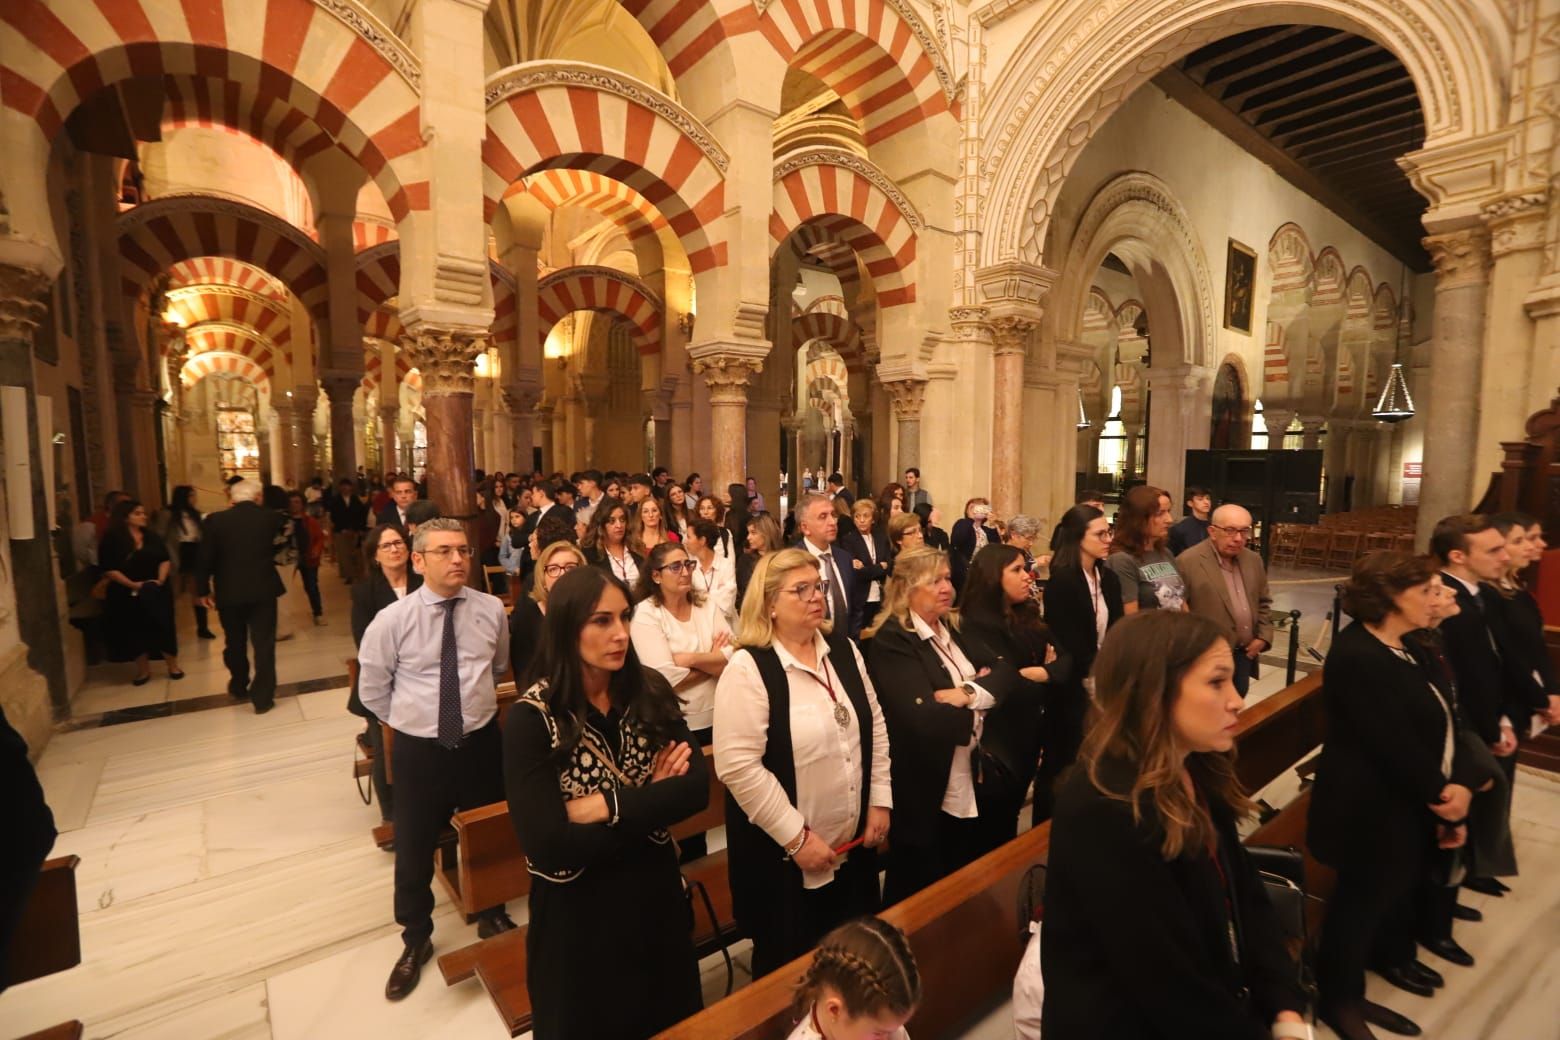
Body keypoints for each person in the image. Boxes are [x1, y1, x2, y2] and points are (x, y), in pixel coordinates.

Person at [1041, 610, 1308, 1039]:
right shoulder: (1104, 806)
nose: (1237, 698)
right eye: (1216, 681)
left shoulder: (1197, 766)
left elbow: (1244, 893)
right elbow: (1164, 978)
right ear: (1154, 691)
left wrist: (1283, 1004)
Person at [503, 566, 707, 1038]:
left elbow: (695, 789)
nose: (619, 635)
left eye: (624, 618)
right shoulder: (533, 720)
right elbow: (548, 842)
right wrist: (651, 799)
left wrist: (604, 807)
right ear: (566, 627)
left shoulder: (648, 691)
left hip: (654, 904)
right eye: (601, 621)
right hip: (579, 921)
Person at [1308, 552, 1478, 1040]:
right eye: (1425, 590)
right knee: (1357, 906)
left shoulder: (1409, 645)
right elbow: (1392, 745)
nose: (1435, 599)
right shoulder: (1359, 655)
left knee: (1386, 896)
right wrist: (1446, 796)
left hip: (1404, 803)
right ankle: (1338, 999)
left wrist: (1456, 787)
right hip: (1366, 811)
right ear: (1389, 596)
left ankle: (1373, 971)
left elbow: (1446, 718)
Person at [358, 518, 517, 1000]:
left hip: (479, 742)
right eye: (445, 551)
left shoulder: (490, 609)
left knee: (487, 828)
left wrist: (467, 716)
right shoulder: (393, 620)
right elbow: (373, 691)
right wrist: (416, 723)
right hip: (419, 750)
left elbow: (498, 666)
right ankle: (416, 937)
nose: (458, 560)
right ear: (419, 560)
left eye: (464, 551)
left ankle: (491, 910)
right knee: (413, 844)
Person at [715, 548, 892, 975]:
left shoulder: (843, 649)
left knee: (853, 970)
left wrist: (879, 800)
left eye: (821, 587)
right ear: (770, 603)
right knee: (792, 980)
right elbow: (739, 767)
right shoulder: (750, 666)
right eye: (802, 589)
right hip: (785, 866)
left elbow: (876, 725)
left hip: (852, 850)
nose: (817, 597)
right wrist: (797, 839)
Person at [863, 545, 1018, 903]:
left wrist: (966, 694)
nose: (946, 587)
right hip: (924, 787)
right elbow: (924, 718)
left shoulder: (952, 627)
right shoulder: (892, 639)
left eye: (947, 578)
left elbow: (1006, 671)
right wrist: (985, 703)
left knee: (962, 882)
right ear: (906, 589)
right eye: (933, 581)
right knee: (920, 890)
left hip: (968, 775)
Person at [1429, 513, 1536, 898]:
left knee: (1485, 798)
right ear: (1458, 555)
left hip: (1487, 717)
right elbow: (1464, 677)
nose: (1505, 556)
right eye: (1494, 549)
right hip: (1465, 724)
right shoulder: (1446, 603)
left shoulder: (1480, 596)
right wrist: (1490, 728)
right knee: (1461, 807)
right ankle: (1443, 901)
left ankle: (1465, 878)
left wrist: (1507, 716)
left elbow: (1499, 660)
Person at [959, 543, 1066, 848]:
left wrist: (1042, 673)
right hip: (998, 743)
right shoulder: (974, 623)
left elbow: (1066, 660)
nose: (1028, 576)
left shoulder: (1026, 616)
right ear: (993, 576)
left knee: (1006, 829)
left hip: (1028, 738)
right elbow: (1002, 688)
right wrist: (1040, 676)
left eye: (1026, 568)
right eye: (1016, 570)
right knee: (988, 837)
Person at [631, 541, 733, 859]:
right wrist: (712, 660)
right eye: (675, 567)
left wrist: (688, 658)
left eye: (687, 564)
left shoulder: (707, 606)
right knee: (690, 819)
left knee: (726, 802)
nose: (685, 572)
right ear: (657, 575)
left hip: (722, 717)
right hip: (678, 726)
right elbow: (662, 678)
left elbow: (735, 656)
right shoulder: (647, 614)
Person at [1037, 505, 1124, 824]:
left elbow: (1115, 629)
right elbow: (1070, 643)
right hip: (1072, 688)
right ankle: (1047, 830)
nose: (1107, 539)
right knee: (1063, 762)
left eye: (1109, 532)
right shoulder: (1064, 582)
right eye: (1100, 534)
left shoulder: (1109, 578)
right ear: (1078, 537)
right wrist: (1094, 675)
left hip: (1103, 683)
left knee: (1096, 762)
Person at [348, 524, 422, 829]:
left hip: (423, 676)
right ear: (375, 555)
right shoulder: (366, 590)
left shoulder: (423, 581)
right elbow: (364, 641)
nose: (395, 549)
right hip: (384, 682)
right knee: (386, 748)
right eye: (387, 545)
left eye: (399, 543)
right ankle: (391, 814)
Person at [196, 480, 285, 713]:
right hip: (263, 589)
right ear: (258, 497)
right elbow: (281, 547)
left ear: (232, 499)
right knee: (263, 644)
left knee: (234, 641)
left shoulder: (215, 521)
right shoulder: (271, 518)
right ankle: (263, 698)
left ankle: (238, 684)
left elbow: (205, 558)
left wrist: (202, 590)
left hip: (229, 590)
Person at [1177, 503, 1272, 696]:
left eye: (1244, 531)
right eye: (1230, 531)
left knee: (1237, 703)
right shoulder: (1188, 561)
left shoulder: (1253, 560)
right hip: (1207, 657)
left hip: (1244, 654)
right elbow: (1179, 612)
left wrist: (1263, 636)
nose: (1238, 538)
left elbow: (1263, 602)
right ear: (1212, 531)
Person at [786, 917, 921, 1040]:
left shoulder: (886, 1025)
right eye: (878, 1034)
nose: (889, 1038)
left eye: (893, 1030)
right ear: (834, 1010)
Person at [99, 499, 183, 684]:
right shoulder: (112, 539)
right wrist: (133, 584)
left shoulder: (151, 536)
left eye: (143, 513)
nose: (143, 516)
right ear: (125, 517)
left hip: (156, 589)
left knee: (164, 626)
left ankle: (172, 665)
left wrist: (160, 580)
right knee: (134, 629)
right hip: (126, 592)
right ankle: (143, 671)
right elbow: (109, 567)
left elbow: (164, 558)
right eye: (138, 513)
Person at [512, 540, 587, 685]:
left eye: (570, 567)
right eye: (553, 569)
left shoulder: (594, 612)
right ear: (543, 579)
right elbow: (523, 673)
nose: (563, 575)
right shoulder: (528, 617)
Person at [1107, 484, 1186, 613]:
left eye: (1168, 512)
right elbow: (1130, 619)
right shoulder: (1122, 560)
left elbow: (1181, 602)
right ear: (1139, 518)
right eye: (1160, 513)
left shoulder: (1165, 553)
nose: (1169, 520)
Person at [796, 492, 862, 639]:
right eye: (823, 517)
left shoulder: (844, 558)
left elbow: (855, 608)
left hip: (846, 649)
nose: (832, 522)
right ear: (805, 528)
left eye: (833, 515)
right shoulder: (794, 562)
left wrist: (853, 643)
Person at [161, 485, 214, 638]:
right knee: (174, 590)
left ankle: (202, 627)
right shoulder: (168, 514)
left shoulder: (195, 514)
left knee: (198, 589)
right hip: (177, 551)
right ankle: (168, 628)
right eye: (191, 495)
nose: (194, 499)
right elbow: (161, 535)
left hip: (194, 550)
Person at [840, 499, 890, 618]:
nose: (861, 520)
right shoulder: (848, 540)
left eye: (866, 516)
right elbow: (858, 573)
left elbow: (889, 565)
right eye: (857, 516)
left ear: (873, 519)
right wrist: (879, 567)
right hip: (861, 598)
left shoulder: (881, 537)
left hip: (882, 596)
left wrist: (868, 568)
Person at [684, 520, 737, 626]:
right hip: (698, 626)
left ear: (702, 540)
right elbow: (688, 602)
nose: (685, 541)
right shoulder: (688, 567)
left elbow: (727, 605)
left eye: (689, 537)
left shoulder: (726, 565)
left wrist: (701, 596)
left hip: (725, 628)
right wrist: (716, 595)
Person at [582, 499, 643, 587]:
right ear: (601, 525)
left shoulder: (636, 547)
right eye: (612, 521)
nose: (619, 525)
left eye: (622, 520)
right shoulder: (590, 553)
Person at [288, 491, 327, 626]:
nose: (294, 505)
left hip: (308, 557)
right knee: (286, 587)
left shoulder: (310, 521)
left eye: (297, 502)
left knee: (311, 586)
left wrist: (316, 549)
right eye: (291, 502)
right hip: (289, 559)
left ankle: (318, 613)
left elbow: (319, 538)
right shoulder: (285, 521)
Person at [949, 498, 1001, 596]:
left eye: (982, 507)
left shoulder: (986, 530)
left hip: (983, 573)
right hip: (965, 572)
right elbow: (958, 539)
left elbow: (996, 548)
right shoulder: (962, 523)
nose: (977, 510)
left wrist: (994, 523)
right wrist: (971, 518)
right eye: (973, 507)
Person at [328, 477, 370, 585]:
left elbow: (361, 515)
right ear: (340, 488)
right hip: (341, 530)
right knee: (344, 554)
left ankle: (358, 574)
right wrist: (342, 528)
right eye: (343, 487)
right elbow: (334, 517)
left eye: (347, 486)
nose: (345, 489)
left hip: (355, 530)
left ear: (351, 488)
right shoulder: (335, 501)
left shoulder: (356, 500)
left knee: (356, 553)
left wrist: (360, 529)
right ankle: (349, 575)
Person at [739, 512, 785, 603]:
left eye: (753, 533)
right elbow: (745, 590)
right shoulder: (746, 560)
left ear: (766, 534)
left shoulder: (783, 557)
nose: (748, 537)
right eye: (748, 533)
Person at [1169, 486, 1213, 556]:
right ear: (1190, 503)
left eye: (1208, 498)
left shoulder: (1216, 525)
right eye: (1200, 499)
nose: (1206, 502)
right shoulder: (1180, 528)